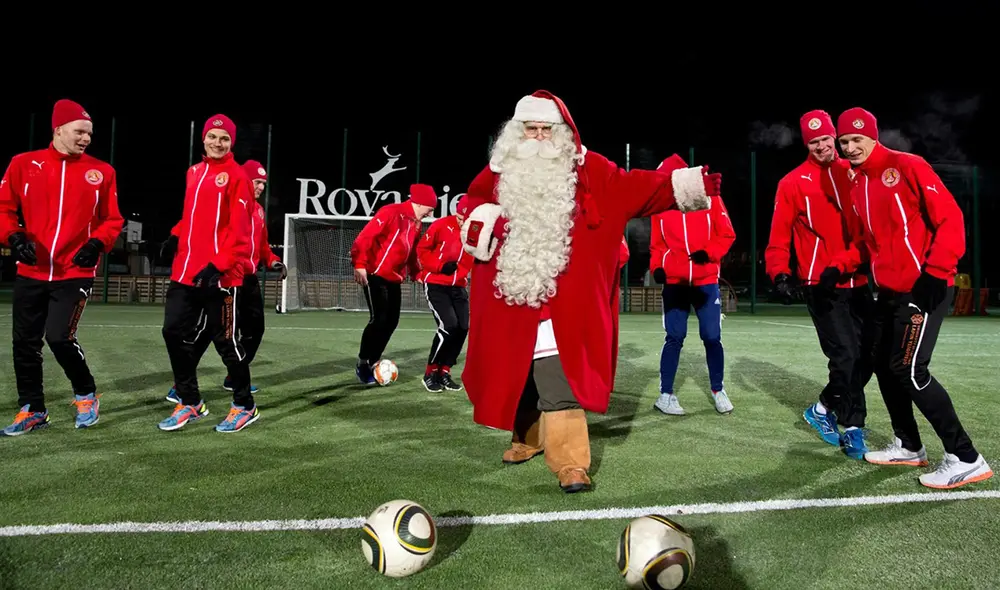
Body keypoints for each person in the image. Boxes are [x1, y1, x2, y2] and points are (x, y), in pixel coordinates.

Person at [460, 90, 720, 492]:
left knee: (557, 375)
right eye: (532, 129)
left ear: (564, 132)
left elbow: (637, 188)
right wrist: (481, 220)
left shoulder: (591, 171)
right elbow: (470, 207)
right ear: (517, 132)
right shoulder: (498, 172)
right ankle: (527, 438)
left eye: (548, 129)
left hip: (566, 302)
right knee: (517, 372)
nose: (540, 137)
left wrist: (685, 185)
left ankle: (569, 461)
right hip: (510, 298)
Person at [836, 106, 992, 488]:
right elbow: (866, 244)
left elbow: (950, 217)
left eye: (858, 139)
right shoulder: (857, 184)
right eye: (845, 141)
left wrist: (938, 272)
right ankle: (909, 446)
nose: (851, 147)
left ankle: (966, 457)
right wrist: (836, 266)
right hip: (888, 291)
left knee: (909, 369)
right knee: (886, 365)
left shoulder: (907, 165)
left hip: (923, 287)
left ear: (873, 137)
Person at [0, 99, 124, 435]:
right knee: (24, 341)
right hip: (31, 271)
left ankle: (85, 394)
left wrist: (97, 243)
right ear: (58, 129)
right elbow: (5, 208)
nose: (86, 138)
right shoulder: (23, 164)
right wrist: (13, 238)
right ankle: (32, 408)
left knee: (58, 336)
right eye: (79, 131)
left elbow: (112, 220)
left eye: (89, 133)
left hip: (75, 272)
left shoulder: (102, 172)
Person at [764, 109, 875, 459]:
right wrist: (779, 273)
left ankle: (823, 408)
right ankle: (854, 427)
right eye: (814, 142)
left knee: (869, 356)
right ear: (806, 144)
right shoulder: (792, 182)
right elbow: (778, 235)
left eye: (827, 139)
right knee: (846, 355)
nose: (823, 146)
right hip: (820, 284)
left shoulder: (854, 173)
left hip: (858, 279)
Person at [158, 114, 258, 433]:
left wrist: (219, 265)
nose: (217, 143)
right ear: (203, 139)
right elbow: (190, 217)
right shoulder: (194, 172)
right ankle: (190, 401)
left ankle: (244, 405)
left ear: (232, 143)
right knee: (173, 332)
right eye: (213, 137)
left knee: (225, 341)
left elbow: (241, 232)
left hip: (221, 276)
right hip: (186, 272)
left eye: (224, 139)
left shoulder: (238, 176)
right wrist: (175, 234)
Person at [163, 160, 285, 404]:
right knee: (211, 332)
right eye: (256, 182)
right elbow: (195, 219)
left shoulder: (259, 211)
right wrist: (174, 236)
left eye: (263, 183)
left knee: (255, 330)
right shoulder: (230, 200)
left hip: (249, 280)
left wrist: (273, 261)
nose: (260, 187)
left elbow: (261, 247)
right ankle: (182, 384)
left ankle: (233, 377)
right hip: (228, 274)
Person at [649, 184, 736, 416]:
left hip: (705, 281)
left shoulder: (710, 199)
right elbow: (657, 245)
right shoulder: (661, 207)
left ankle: (718, 390)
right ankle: (665, 395)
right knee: (674, 337)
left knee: (712, 337)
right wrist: (657, 266)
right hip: (675, 283)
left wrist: (709, 253)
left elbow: (727, 233)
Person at [351, 184, 437, 384]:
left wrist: (417, 273)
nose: (431, 212)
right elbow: (365, 237)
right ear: (420, 203)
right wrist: (360, 264)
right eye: (430, 208)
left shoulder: (415, 223)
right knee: (379, 319)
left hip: (393, 277)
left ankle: (374, 360)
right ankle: (363, 363)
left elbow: (412, 252)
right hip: (374, 273)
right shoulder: (391, 212)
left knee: (392, 321)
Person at [415, 195, 473, 392]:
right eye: (459, 217)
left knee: (463, 327)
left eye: (466, 217)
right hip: (436, 283)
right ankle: (430, 373)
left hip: (458, 286)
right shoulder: (440, 225)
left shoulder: (475, 230)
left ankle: (445, 371)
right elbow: (422, 250)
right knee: (448, 326)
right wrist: (440, 266)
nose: (462, 221)